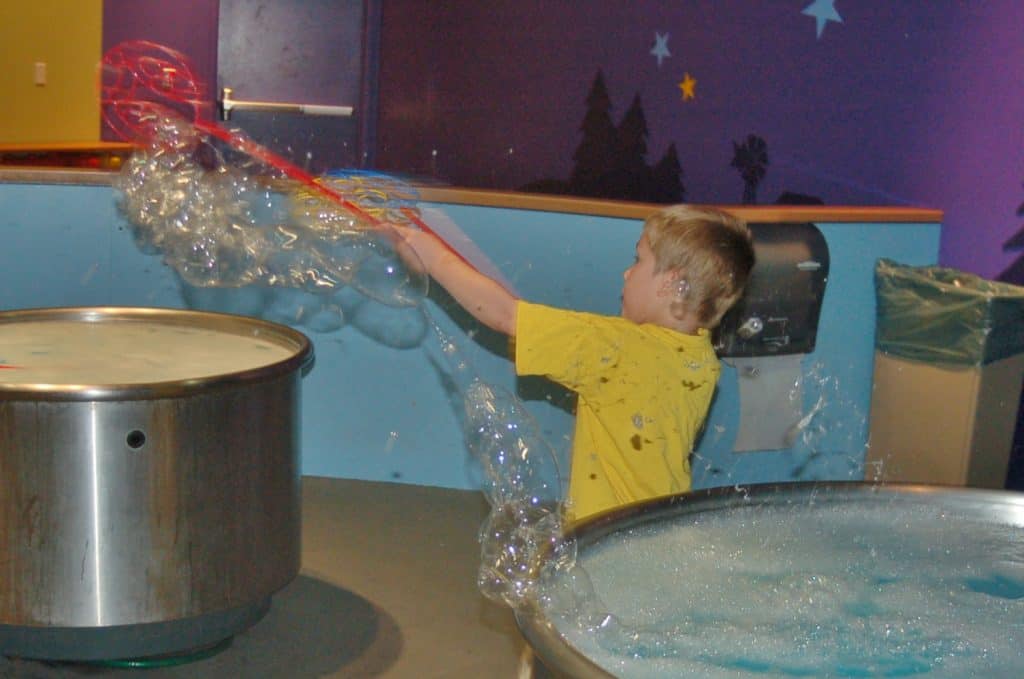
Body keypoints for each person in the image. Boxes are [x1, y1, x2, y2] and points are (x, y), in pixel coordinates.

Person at [392, 205, 754, 523]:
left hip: (612, 537)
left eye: (639, 260)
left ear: (672, 285)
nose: (627, 274)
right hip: (660, 526)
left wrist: (431, 256)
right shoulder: (701, 357)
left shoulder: (617, 350)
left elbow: (505, 316)